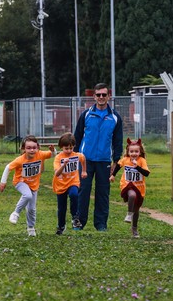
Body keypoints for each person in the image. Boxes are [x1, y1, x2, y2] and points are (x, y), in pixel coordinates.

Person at [74, 83, 124, 231]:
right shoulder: (86, 114)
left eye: (104, 94)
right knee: (83, 191)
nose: (101, 97)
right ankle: (79, 222)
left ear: (109, 96)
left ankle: (101, 224)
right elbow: (77, 136)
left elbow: (118, 140)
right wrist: (75, 155)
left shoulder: (115, 117)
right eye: (98, 95)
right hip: (86, 160)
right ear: (94, 96)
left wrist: (116, 160)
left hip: (104, 160)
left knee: (103, 193)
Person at [0, 135, 55, 237]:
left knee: (32, 209)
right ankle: (15, 213)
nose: (32, 150)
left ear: (38, 148)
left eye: (34, 148)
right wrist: (3, 182)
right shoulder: (20, 160)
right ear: (23, 149)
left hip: (34, 185)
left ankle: (31, 228)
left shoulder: (40, 154)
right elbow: (8, 167)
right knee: (27, 195)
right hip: (20, 182)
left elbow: (52, 155)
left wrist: (53, 150)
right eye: (28, 148)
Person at [110, 138, 150, 238]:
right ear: (128, 151)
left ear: (140, 152)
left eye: (136, 151)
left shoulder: (142, 161)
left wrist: (137, 167)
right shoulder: (125, 160)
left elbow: (147, 173)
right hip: (127, 184)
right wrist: (113, 175)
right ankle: (128, 214)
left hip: (139, 187)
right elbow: (118, 166)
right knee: (131, 195)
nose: (134, 153)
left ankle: (134, 229)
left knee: (136, 210)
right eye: (131, 151)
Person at [52, 133, 87, 235]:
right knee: (61, 208)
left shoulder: (76, 156)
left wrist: (84, 171)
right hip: (60, 184)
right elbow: (57, 173)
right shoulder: (58, 158)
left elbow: (83, 158)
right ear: (61, 147)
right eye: (66, 148)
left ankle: (75, 217)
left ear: (74, 147)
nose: (68, 151)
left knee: (74, 194)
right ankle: (61, 226)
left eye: (71, 148)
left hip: (73, 181)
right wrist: (64, 165)